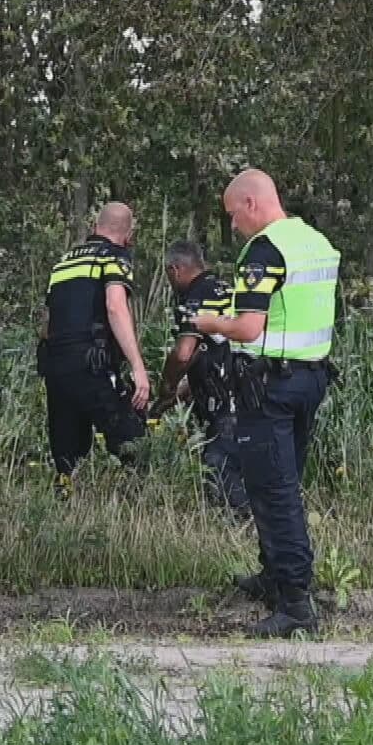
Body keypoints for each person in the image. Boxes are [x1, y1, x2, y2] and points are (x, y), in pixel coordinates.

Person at [192, 170, 340, 637]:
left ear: (252, 203)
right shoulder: (313, 241)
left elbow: (250, 327)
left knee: (275, 493)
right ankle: (274, 575)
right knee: (275, 480)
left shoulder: (264, 251)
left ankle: (295, 602)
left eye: (233, 214)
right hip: (309, 377)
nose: (233, 225)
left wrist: (210, 322)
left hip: (269, 386)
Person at [37, 202, 150, 481]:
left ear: (94, 226)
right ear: (129, 233)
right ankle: (136, 505)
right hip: (93, 365)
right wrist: (137, 366)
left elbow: (46, 323)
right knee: (131, 441)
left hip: (57, 367)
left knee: (67, 454)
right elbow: (115, 306)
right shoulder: (114, 256)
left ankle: (67, 502)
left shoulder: (63, 263)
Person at [152, 240, 247, 515]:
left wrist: (166, 384)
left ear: (175, 269)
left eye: (169, 275)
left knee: (218, 465)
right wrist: (172, 399)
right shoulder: (225, 289)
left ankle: (239, 527)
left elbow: (184, 354)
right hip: (245, 392)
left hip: (225, 405)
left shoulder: (196, 296)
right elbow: (209, 353)